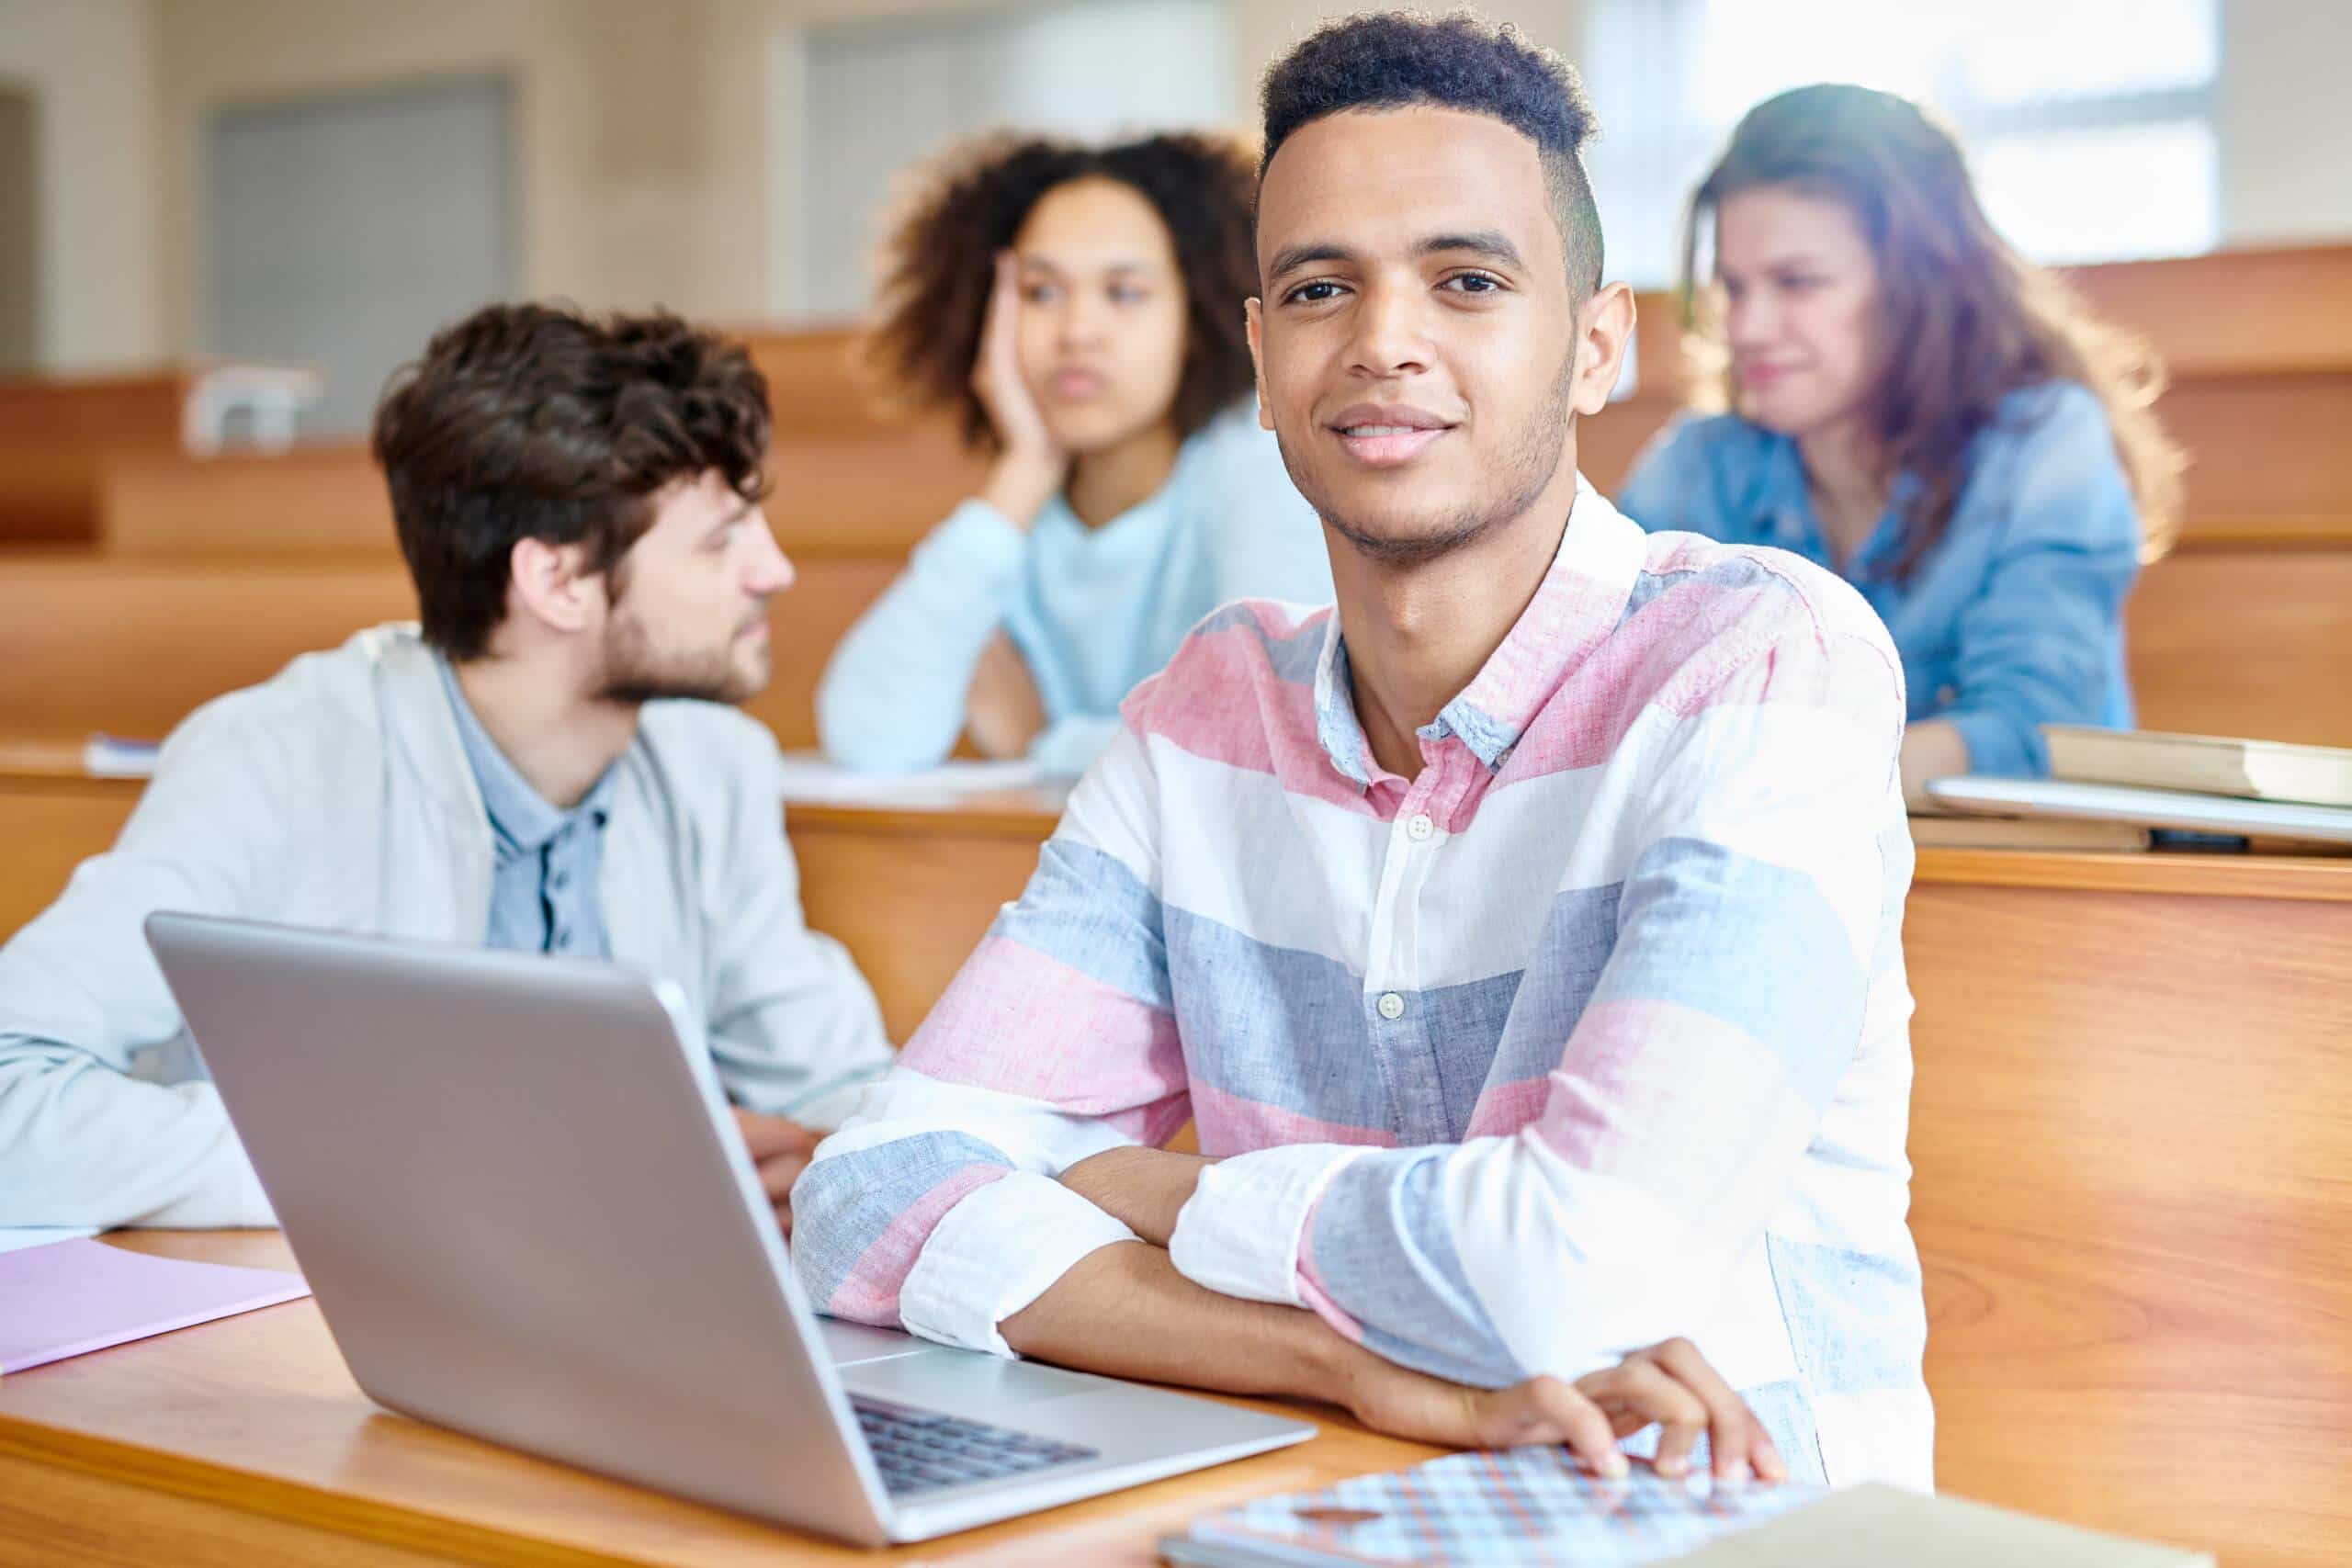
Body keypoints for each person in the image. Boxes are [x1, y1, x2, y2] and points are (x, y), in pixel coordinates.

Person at [793, 14, 1928, 1485]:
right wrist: (1345, 1358)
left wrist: (1140, 1186)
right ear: (1262, 359)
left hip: (1727, 1522)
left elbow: (1581, 1276)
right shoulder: (1202, 717)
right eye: (1322, 287)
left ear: (1597, 345)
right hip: (1328, 1499)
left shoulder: (1766, 663)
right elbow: (864, 1194)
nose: (1385, 340)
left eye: (1466, 281)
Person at [0, 304, 890, 1235]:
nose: (775, 570)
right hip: (309, 1336)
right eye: (721, 540)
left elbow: (837, 1081)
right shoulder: (271, 758)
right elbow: (10, 1095)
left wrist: (832, 1154)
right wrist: (417, 1167)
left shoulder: (714, 766)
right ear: (556, 583)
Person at [1617, 84, 2187, 796]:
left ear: (1922, 285)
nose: (1748, 327)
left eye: (1798, 283)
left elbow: (2034, 733)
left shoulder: (2046, 445)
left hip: (2016, 886)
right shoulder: (1695, 466)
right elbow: (1594, 705)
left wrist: (1747, 776)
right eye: (1734, 286)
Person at [816, 132, 1332, 776]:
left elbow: (1254, 734)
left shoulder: (1255, 464)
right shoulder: (1013, 523)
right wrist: (1022, 472)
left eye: (1123, 292)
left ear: (1197, 316)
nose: (1077, 332)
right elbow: (868, 738)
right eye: (1040, 292)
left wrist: (1048, 743)